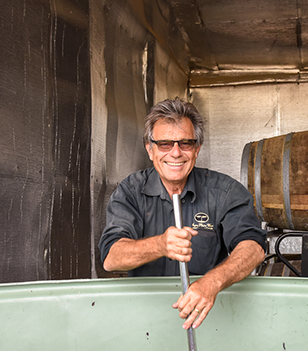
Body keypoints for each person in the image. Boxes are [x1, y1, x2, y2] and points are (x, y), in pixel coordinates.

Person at [99, 97, 266, 330]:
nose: (176, 153)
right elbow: (111, 258)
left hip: (207, 317)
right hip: (144, 320)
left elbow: (253, 248)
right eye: (165, 144)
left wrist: (211, 283)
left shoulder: (226, 192)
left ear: (197, 149)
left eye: (185, 143)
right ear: (150, 149)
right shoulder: (130, 191)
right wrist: (160, 245)